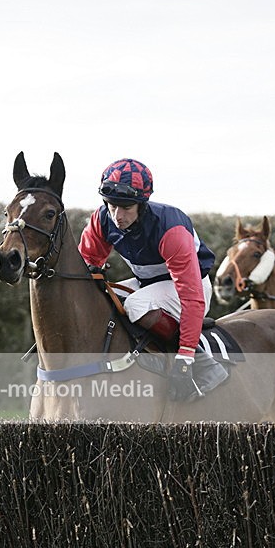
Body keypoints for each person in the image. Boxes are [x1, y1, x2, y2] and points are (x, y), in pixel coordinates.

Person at [78, 158, 228, 401]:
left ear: (142, 204)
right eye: (112, 205)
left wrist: (186, 356)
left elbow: (191, 297)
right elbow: (87, 263)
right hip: (148, 284)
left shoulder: (171, 229)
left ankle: (204, 362)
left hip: (193, 288)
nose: (117, 216)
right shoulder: (102, 218)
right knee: (102, 298)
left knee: (135, 305)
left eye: (126, 207)